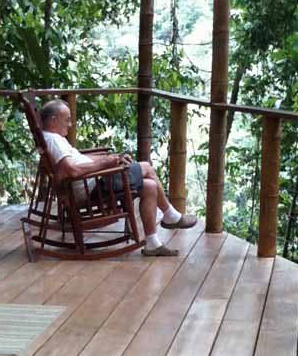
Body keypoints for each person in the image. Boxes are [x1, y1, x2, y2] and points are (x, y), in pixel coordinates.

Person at [39, 99, 197, 256]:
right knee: (147, 168)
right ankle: (171, 216)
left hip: (93, 183)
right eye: (67, 120)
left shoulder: (53, 138)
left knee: (149, 186)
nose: (70, 124)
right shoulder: (53, 140)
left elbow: (79, 160)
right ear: (54, 120)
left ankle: (152, 243)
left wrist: (112, 158)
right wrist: (108, 162)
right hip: (92, 188)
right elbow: (72, 170)